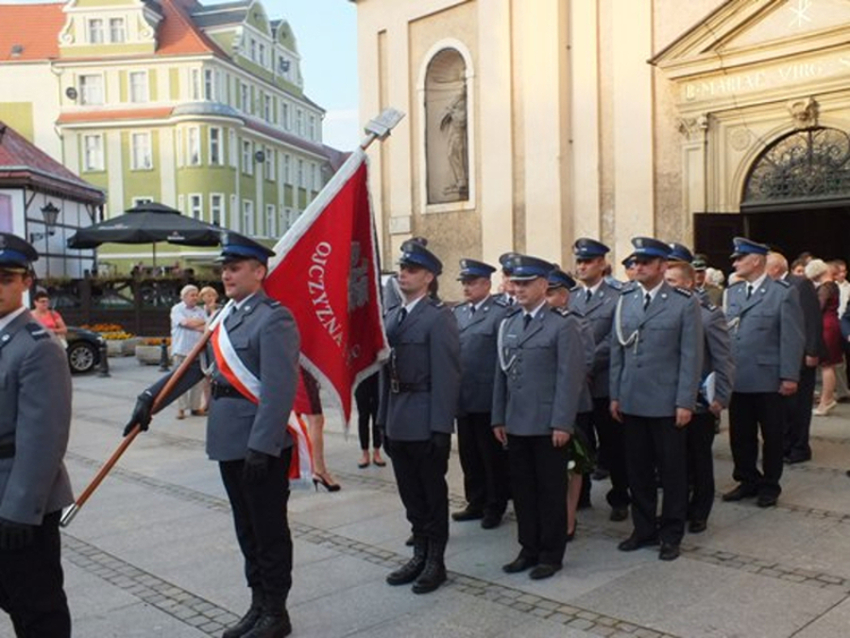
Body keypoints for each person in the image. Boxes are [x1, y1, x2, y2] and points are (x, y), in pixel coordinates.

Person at [125, 232, 300, 638]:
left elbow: (278, 389)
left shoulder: (274, 317)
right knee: (246, 528)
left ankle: (277, 611)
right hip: (227, 437)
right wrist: (150, 398)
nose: (226, 274)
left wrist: (262, 445)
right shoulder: (225, 317)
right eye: (224, 268)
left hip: (259, 444)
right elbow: (192, 367)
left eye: (235, 267)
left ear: (260, 271)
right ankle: (257, 603)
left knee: (268, 528)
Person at [492, 254, 585, 580]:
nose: (517, 289)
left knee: (549, 490)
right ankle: (527, 547)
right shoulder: (510, 324)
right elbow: (501, 375)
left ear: (543, 285)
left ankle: (551, 552)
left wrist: (562, 422)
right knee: (523, 490)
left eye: (525, 283)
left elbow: (569, 378)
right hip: (516, 422)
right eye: (515, 283)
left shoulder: (562, 325)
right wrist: (498, 418)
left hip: (547, 424)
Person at [610, 237, 703, 562]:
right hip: (633, 399)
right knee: (638, 470)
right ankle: (644, 528)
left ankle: (671, 533)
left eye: (646, 263)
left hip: (666, 402)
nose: (638, 268)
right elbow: (617, 352)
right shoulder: (626, 300)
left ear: (663, 267)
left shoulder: (683, 302)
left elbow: (691, 356)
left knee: (673, 471)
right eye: (635, 263)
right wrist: (616, 394)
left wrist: (685, 401)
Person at [0, 233, 74, 637]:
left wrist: (19, 509)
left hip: (19, 502)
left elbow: (43, 438)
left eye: (5, 278)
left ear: (26, 282)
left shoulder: (37, 347)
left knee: (38, 610)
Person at [377, 241, 460, 594]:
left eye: (410, 270)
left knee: (431, 493)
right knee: (410, 494)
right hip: (398, 416)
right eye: (401, 269)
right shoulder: (393, 317)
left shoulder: (438, 317)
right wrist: (382, 419)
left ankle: (435, 561)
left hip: (425, 416)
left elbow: (447, 375)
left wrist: (441, 427)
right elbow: (384, 375)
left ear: (428, 277)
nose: (402, 274)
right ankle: (419, 553)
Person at [723, 238, 804, 509]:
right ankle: (747, 479)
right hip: (739, 377)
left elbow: (791, 337)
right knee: (740, 435)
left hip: (768, 377)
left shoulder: (782, 292)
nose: (734, 263)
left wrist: (790, 375)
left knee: (772, 435)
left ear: (755, 260)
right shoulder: (732, 293)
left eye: (739, 258)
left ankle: (770, 484)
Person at [664, 254, 734, 534]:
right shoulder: (665, 311)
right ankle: (677, 509)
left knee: (699, 458)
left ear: (690, 283)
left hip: (700, 400)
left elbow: (723, 357)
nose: (668, 287)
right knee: (675, 461)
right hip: (671, 398)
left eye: (673, 282)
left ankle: (700, 510)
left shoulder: (709, 314)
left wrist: (721, 396)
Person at [569, 238, 630, 523]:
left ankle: (620, 497)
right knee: (580, 441)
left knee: (614, 445)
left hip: (605, 381)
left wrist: (587, 361)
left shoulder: (618, 295)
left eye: (588, 261)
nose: (582, 266)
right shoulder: (573, 297)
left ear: (602, 264)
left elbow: (615, 338)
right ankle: (580, 495)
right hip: (580, 386)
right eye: (579, 261)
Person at [451, 258, 511, 529]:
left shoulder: (499, 313)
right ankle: (475, 501)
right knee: (469, 454)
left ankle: (494, 505)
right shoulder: (458, 313)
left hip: (488, 397)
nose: (466, 287)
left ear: (487, 284)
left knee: (492, 456)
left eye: (472, 282)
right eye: (464, 282)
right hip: (464, 396)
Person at [545, 267, 594, 543]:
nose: (547, 298)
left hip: (574, 402)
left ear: (564, 297)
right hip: (544, 403)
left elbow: (584, 361)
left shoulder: (576, 322)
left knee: (573, 462)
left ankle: (569, 517)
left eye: (552, 293)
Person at [765, 252, 823, 464]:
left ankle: (799, 448)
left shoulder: (799, 284)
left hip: (802, 356)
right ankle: (785, 445)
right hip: (782, 355)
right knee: (785, 407)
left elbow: (812, 319)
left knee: (799, 406)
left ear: (777, 268)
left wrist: (812, 351)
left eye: (766, 266)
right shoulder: (770, 288)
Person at [806, 259, 843, 416]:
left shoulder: (825, 287)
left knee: (826, 364)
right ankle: (826, 399)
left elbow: (817, 308)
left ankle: (826, 401)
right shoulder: (833, 285)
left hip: (826, 325)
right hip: (832, 323)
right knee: (829, 365)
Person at [294, 369, 340, 491]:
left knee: (302, 418)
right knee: (315, 419)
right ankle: (318, 470)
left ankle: (311, 468)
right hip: (301, 369)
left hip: (297, 368)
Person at [170, 285, 208, 419]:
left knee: (196, 381)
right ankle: (181, 409)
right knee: (179, 380)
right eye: (192, 295)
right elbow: (185, 323)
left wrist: (197, 323)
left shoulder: (200, 310)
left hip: (197, 351)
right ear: (184, 296)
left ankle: (195, 407)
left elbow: (206, 327)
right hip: (181, 350)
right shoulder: (177, 309)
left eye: (196, 295)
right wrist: (198, 323)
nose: (195, 297)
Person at [355, 372, 384, 468]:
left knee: (377, 417)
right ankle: (365, 453)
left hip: (377, 378)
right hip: (361, 379)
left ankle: (377, 451)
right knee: (363, 417)